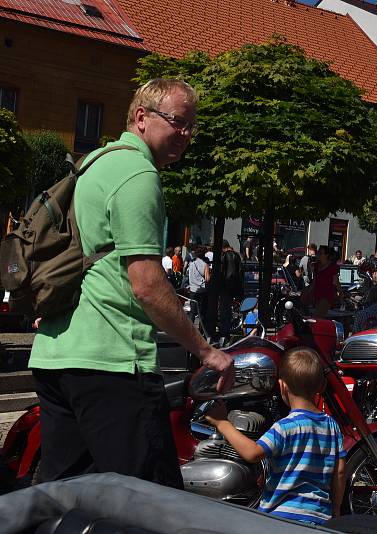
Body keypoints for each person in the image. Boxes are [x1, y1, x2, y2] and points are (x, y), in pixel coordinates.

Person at [27, 78, 233, 488]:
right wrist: (206, 351)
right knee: (152, 501)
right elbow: (147, 285)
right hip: (112, 361)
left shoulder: (96, 162)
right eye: (178, 121)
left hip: (57, 355)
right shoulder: (138, 173)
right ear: (142, 117)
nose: (186, 134)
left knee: (63, 497)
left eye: (192, 126)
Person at [204, 348, 345, 525]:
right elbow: (339, 472)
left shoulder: (285, 426)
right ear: (321, 386)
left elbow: (253, 453)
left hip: (281, 517)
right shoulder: (332, 427)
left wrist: (222, 423)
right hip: (319, 517)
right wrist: (337, 507)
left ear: (282, 386)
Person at [218, 239, 242, 338]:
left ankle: (224, 332)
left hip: (227, 288)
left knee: (225, 310)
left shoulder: (228, 256)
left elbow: (230, 274)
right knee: (226, 310)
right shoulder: (236, 255)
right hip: (232, 287)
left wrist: (225, 286)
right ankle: (225, 330)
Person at [312, 245, 340, 318]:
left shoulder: (332, 267)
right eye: (318, 252)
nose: (318, 254)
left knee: (318, 317)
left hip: (326, 296)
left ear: (326, 255)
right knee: (317, 317)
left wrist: (341, 294)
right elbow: (314, 281)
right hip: (317, 294)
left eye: (320, 253)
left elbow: (336, 281)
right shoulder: (316, 265)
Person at [188, 244, 211, 329]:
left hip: (193, 289)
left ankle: (190, 330)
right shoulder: (205, 264)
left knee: (192, 312)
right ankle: (202, 330)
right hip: (202, 290)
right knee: (202, 312)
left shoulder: (192, 262)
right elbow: (207, 279)